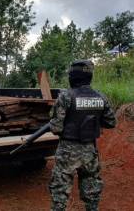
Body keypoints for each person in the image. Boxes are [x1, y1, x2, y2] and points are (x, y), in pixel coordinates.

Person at [49, 60, 116, 211]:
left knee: (60, 190)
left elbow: (55, 128)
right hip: (90, 151)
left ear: (72, 76)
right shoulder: (101, 97)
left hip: (67, 151)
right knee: (92, 189)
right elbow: (111, 122)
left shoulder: (66, 96)